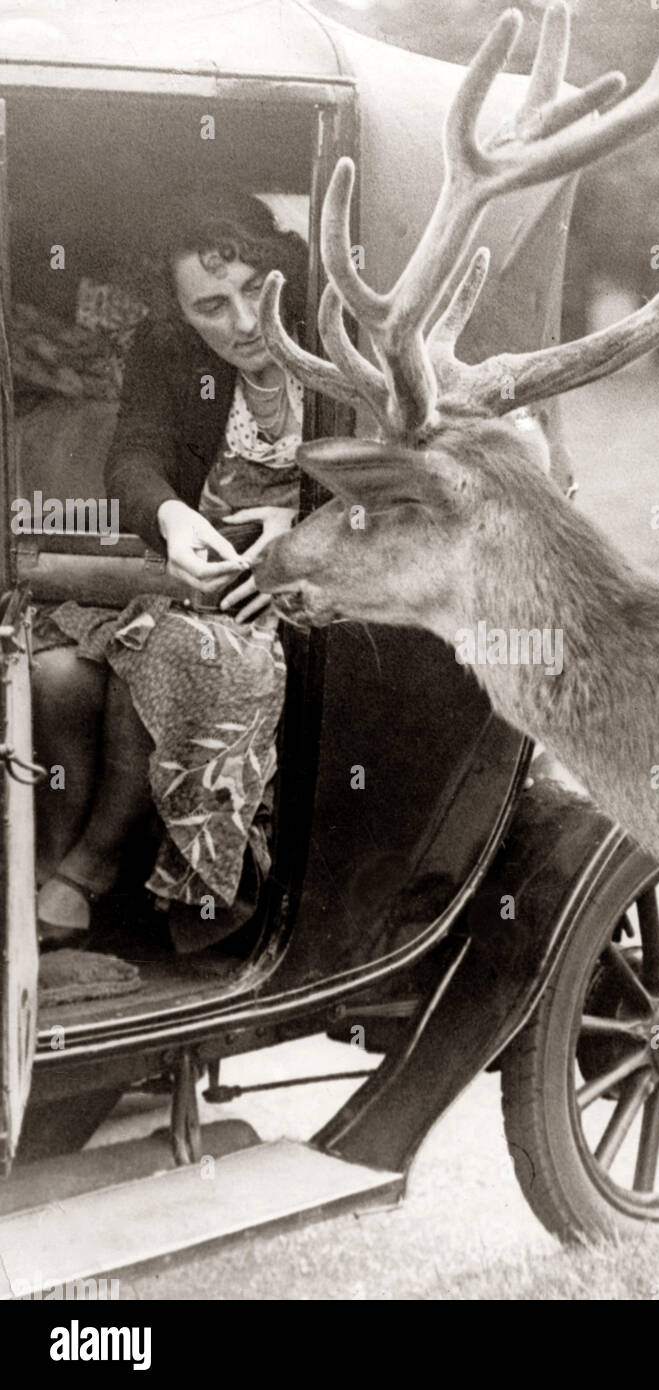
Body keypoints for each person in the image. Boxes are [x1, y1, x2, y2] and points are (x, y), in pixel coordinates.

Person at [32, 190, 308, 952]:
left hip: (308, 586)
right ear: (182, 314)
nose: (244, 324)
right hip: (193, 567)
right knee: (53, 672)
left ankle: (93, 872)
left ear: (282, 270)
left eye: (257, 290)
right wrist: (170, 516)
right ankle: (48, 886)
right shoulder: (168, 351)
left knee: (170, 648)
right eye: (211, 307)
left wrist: (304, 521)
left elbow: (396, 477)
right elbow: (136, 457)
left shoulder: (337, 334)